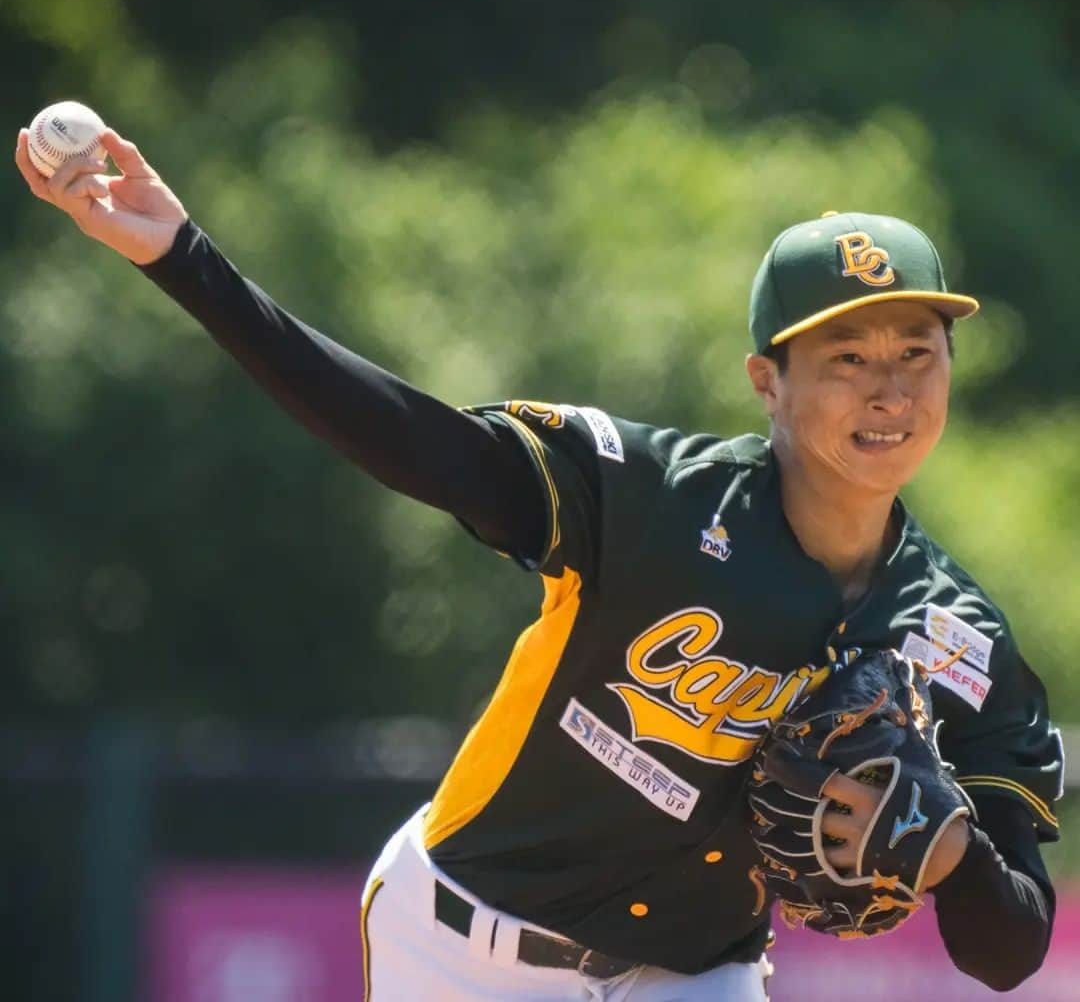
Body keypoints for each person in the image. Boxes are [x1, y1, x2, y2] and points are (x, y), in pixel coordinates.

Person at [15, 129, 1063, 1000]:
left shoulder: (957, 636)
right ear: (766, 381)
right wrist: (184, 258)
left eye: (916, 352)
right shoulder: (650, 497)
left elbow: (1010, 949)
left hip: (693, 975)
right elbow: (411, 441)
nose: (890, 391)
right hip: (467, 947)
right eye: (848, 358)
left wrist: (954, 854)